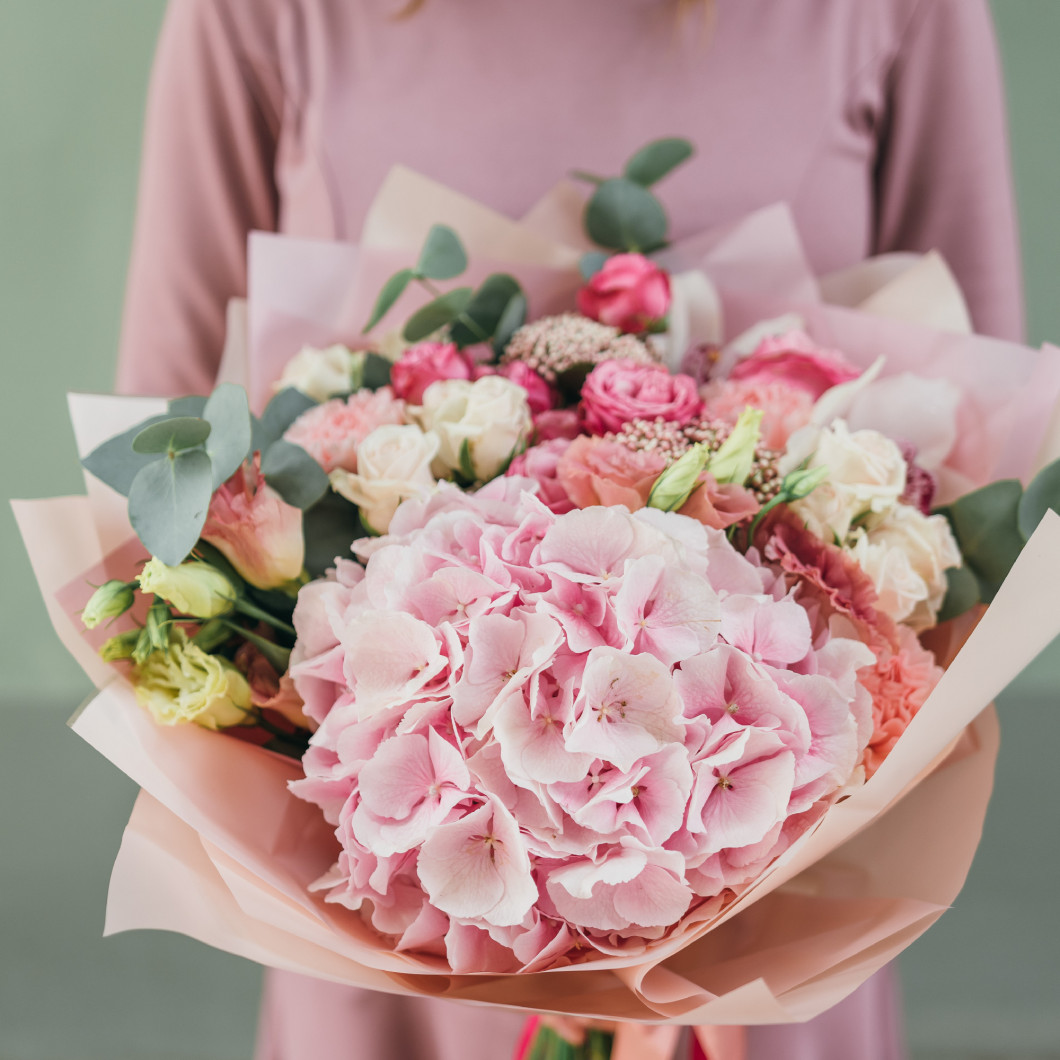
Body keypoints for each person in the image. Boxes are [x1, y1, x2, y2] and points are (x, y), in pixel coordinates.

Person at [115, 1, 1024, 1057]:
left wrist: (684, 887)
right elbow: (165, 490)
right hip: (407, 936)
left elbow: (978, 461)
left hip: (762, 944)